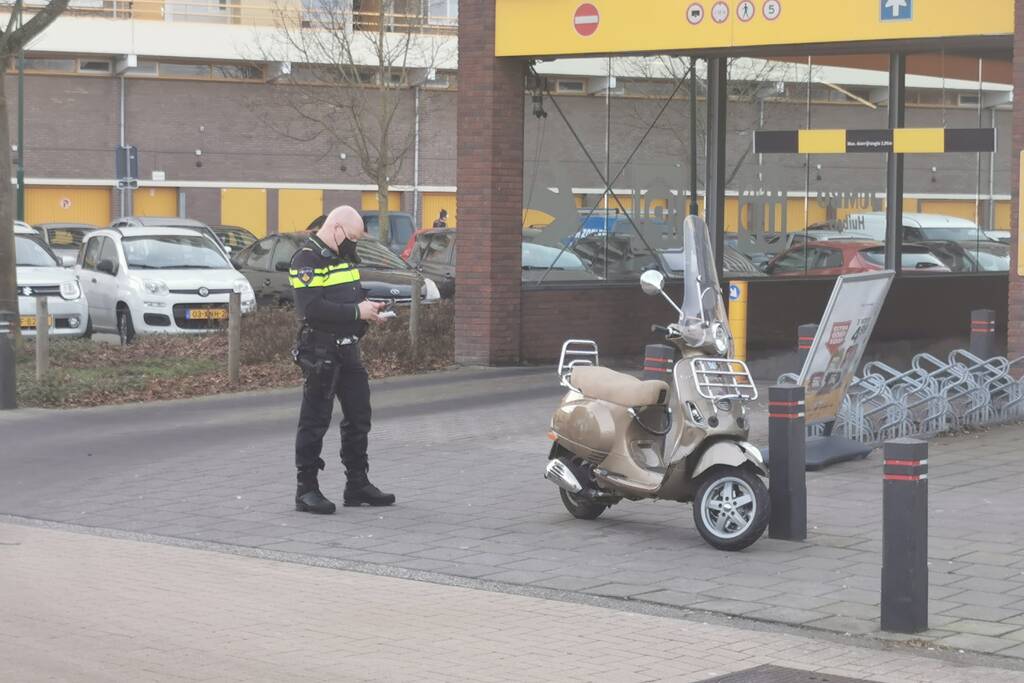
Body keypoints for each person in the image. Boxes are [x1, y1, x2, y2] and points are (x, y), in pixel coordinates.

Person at [289, 205, 395, 514]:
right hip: (321, 352)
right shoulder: (306, 259)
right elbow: (312, 309)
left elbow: (350, 297)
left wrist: (367, 308)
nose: (353, 245)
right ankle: (306, 489)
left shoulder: (343, 258)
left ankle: (357, 484)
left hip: (349, 350)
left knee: (359, 416)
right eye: (351, 237)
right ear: (335, 228)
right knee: (315, 420)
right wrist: (355, 312)